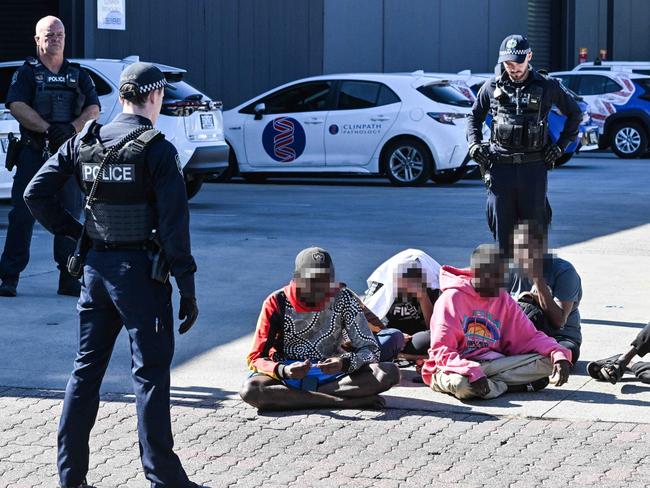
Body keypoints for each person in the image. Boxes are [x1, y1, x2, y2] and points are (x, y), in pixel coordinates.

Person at [24, 62, 201, 488]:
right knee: (150, 376)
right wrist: (187, 288)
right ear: (155, 97)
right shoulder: (157, 149)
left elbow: (35, 194)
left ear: (121, 97)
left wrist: (74, 233)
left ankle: (71, 477)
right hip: (140, 276)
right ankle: (164, 479)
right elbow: (176, 231)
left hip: (95, 272)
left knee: (85, 371)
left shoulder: (85, 139)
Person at [0, 16, 100, 297]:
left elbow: (93, 109)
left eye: (59, 34)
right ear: (37, 40)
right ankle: (9, 276)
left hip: (68, 154)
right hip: (33, 153)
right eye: (49, 34)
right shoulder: (27, 73)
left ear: (65, 37)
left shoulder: (78, 74)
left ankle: (69, 277)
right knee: (22, 214)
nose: (55, 38)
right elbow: (16, 105)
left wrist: (71, 128)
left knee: (69, 215)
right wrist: (46, 130)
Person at [240, 247, 400, 411]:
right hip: (287, 376)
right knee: (251, 390)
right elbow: (255, 357)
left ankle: (299, 397)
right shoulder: (276, 302)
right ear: (297, 279)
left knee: (388, 373)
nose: (320, 289)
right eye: (312, 282)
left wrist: (344, 363)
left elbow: (370, 349)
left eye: (325, 282)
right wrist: (284, 370)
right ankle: (342, 402)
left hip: (333, 376)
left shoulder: (343, 297)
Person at [467, 34, 582, 256]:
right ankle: (505, 289)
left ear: (529, 57)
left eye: (518, 63)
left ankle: (533, 289)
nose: (514, 69)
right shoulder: (491, 86)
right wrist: (474, 144)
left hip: (533, 170)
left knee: (534, 240)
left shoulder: (547, 86)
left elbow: (575, 113)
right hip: (500, 170)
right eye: (508, 64)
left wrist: (561, 146)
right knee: (502, 240)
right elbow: (473, 117)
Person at [421, 244, 572, 400]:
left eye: (502, 277)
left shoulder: (502, 297)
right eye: (494, 276)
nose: (499, 283)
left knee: (549, 360)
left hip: (492, 364)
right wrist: (469, 370)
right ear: (477, 273)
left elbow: (529, 336)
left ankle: (491, 386)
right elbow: (442, 351)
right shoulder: (451, 299)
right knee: (462, 386)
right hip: (455, 367)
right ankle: (507, 385)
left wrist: (558, 353)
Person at [510, 221, 583, 363]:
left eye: (528, 248)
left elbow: (558, 321)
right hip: (522, 335)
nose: (523, 255)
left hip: (559, 337)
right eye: (518, 249)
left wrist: (538, 279)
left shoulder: (564, 271)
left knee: (562, 353)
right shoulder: (511, 271)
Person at [362, 249, 441, 360]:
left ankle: (401, 355)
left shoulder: (432, 287)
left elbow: (435, 326)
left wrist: (423, 297)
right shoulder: (381, 286)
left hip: (417, 336)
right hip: (387, 333)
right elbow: (365, 318)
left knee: (437, 337)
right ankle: (405, 355)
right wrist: (394, 336)